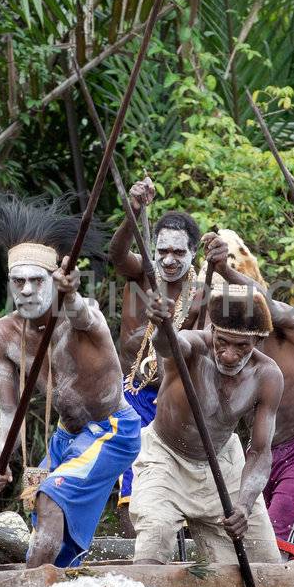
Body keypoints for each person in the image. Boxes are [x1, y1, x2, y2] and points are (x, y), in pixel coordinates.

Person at [0, 193, 142, 568]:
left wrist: (72, 292)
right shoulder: (2, 335)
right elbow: (7, 414)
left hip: (113, 431)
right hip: (66, 437)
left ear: (53, 280)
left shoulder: (85, 316)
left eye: (37, 280)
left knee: (49, 498)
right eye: (19, 282)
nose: (27, 290)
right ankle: (54, 585)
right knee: (47, 528)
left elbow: (80, 312)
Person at [129, 283, 284, 565]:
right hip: (165, 458)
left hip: (224, 461)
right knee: (156, 536)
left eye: (241, 347)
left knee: (265, 562)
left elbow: (261, 451)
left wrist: (244, 506)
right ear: (212, 331)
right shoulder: (193, 348)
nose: (228, 355)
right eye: (222, 341)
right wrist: (161, 326)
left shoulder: (267, 375)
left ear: (258, 342)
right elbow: (168, 345)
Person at [213, 230, 294, 561]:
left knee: (279, 549)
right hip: (258, 454)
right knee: (248, 543)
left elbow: (262, 301)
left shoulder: (284, 324)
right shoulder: (224, 347)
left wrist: (225, 270)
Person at [109, 177, 205, 533]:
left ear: (192, 253)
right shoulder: (141, 275)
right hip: (131, 394)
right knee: (133, 485)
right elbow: (117, 254)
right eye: (162, 250)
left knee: (169, 486)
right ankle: (139, 552)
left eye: (178, 253)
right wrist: (133, 210)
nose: (168, 260)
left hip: (175, 399)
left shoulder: (203, 294)